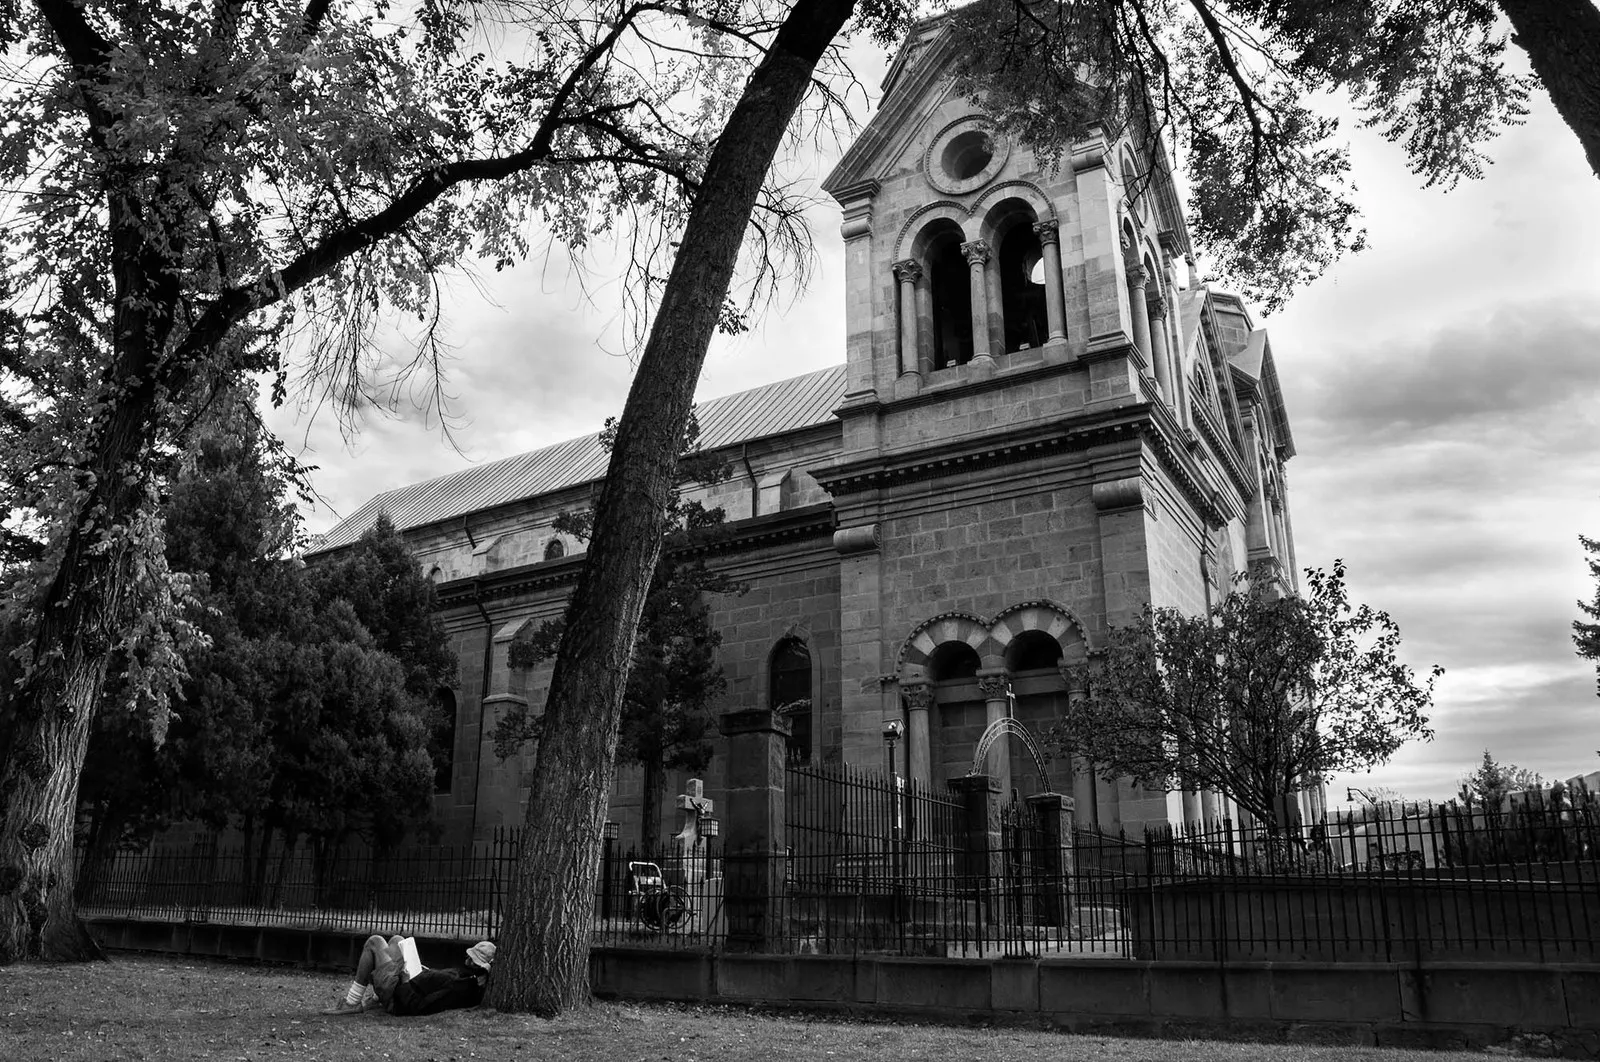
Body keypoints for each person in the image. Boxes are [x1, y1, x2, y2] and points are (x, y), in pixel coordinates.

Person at [325, 936, 495, 1016]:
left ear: (476, 964)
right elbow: (433, 983)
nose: (466, 959)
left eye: (471, 958)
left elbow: (420, 1006)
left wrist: (406, 982)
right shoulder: (467, 979)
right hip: (407, 983)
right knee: (397, 940)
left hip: (398, 995)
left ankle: (352, 1002)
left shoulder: (460, 986)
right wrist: (424, 971)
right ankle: (376, 999)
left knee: (374, 942)